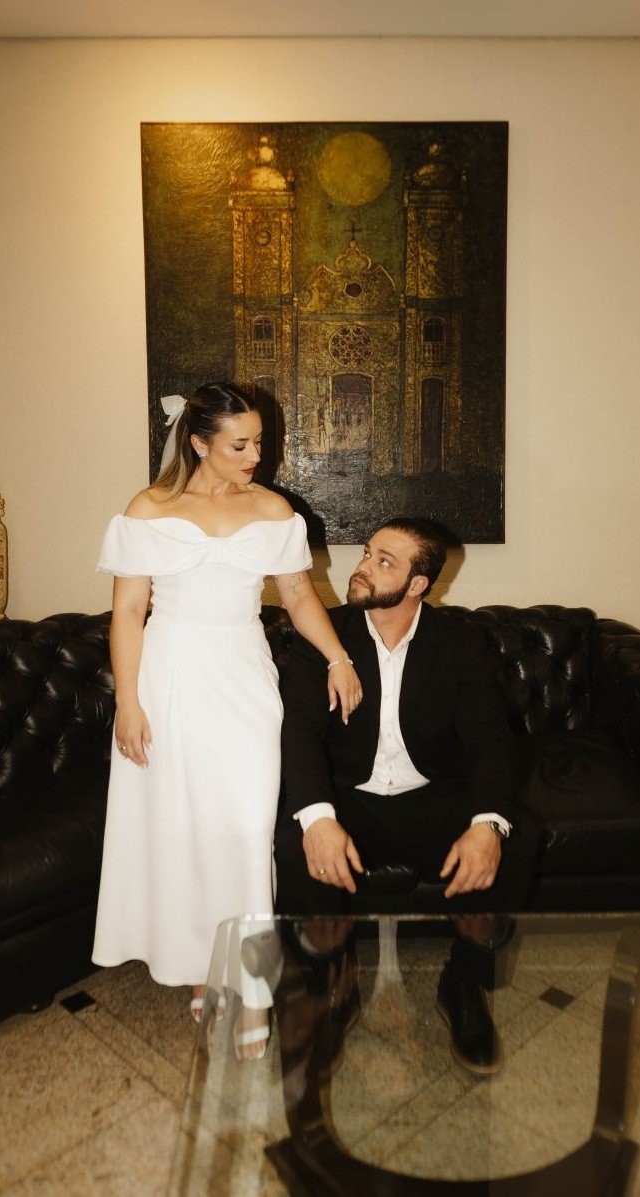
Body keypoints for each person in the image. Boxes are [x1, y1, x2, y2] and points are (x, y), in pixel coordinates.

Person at [92, 382, 362, 1059]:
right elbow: (128, 612)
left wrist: (337, 657)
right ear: (198, 442)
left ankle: (253, 989)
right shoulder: (148, 510)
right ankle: (198, 967)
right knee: (183, 832)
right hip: (169, 682)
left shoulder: (273, 510)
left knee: (245, 833)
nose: (254, 456)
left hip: (243, 681)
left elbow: (299, 597)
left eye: (258, 443)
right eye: (239, 445)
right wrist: (128, 701)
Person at [274, 516, 538, 1073]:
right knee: (295, 839)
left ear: (419, 584)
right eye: (367, 553)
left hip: (430, 796)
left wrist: (486, 824)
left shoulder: (459, 642)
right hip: (351, 798)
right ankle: (332, 984)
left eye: (384, 562)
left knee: (517, 835)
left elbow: (490, 740)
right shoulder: (324, 634)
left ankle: (463, 983)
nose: (363, 568)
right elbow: (300, 731)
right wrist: (318, 818)